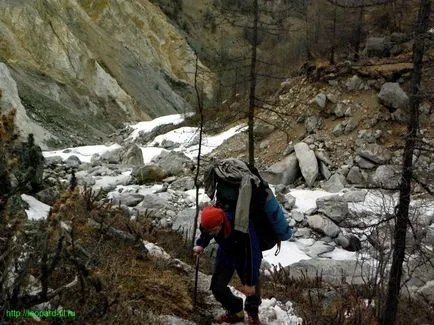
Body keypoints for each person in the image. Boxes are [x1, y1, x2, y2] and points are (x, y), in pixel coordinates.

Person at [193, 206, 262, 325]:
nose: (211, 233)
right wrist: (201, 244)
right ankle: (236, 311)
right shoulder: (209, 224)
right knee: (217, 287)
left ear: (221, 223)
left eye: (213, 231)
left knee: (252, 287)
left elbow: (253, 254)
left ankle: (253, 315)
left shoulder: (241, 225)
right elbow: (206, 233)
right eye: (208, 230)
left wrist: (250, 282)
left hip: (245, 255)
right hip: (226, 252)